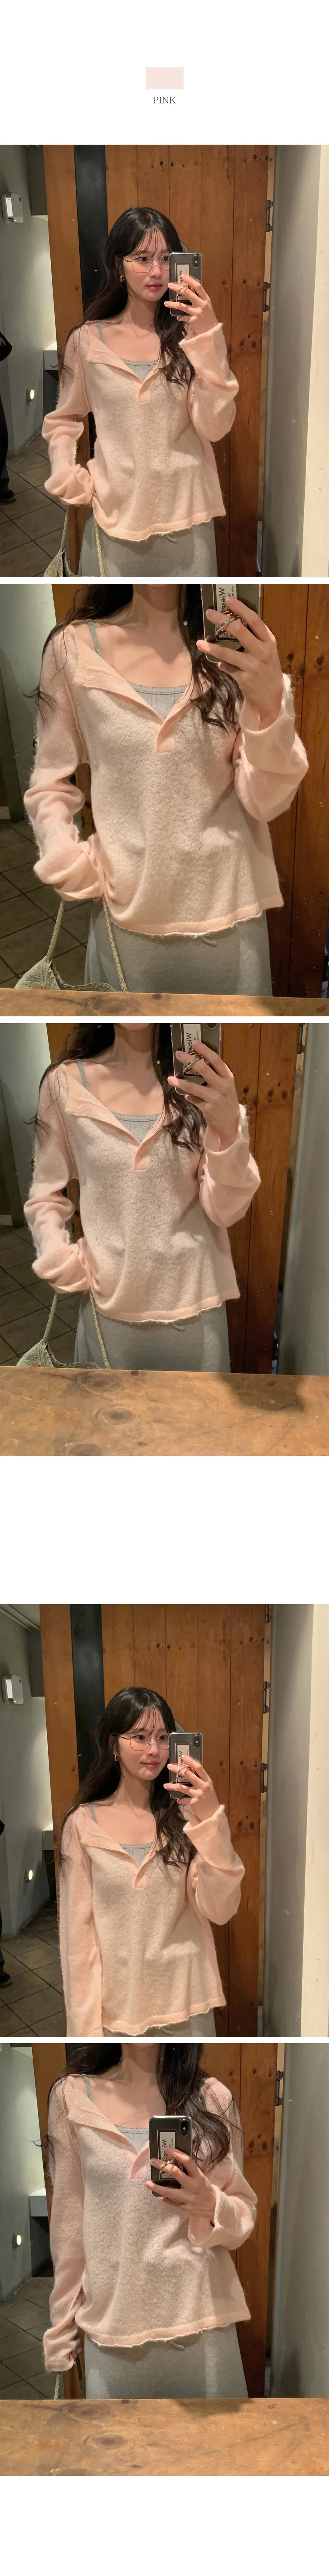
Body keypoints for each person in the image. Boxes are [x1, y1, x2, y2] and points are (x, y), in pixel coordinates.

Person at [24, 585, 308, 996]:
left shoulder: (234, 646)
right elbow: (50, 778)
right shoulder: (73, 649)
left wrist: (269, 705)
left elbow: (266, 800)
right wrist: (65, 859)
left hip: (232, 926)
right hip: (126, 924)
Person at [24, 1023, 261, 1372]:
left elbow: (225, 1210)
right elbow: (46, 1193)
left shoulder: (199, 1082)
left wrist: (228, 1130)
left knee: (197, 1410)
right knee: (108, 1409)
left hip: (197, 1313)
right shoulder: (65, 1084)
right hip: (109, 1312)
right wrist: (58, 1258)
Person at [43, 2041, 257, 2398]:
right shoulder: (73, 2096)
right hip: (114, 2331)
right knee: (117, 2436)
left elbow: (243, 2216)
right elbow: (69, 2225)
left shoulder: (212, 2097)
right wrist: (61, 2327)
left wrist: (211, 2205)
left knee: (214, 2437)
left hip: (205, 2326)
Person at [41, 206, 239, 575]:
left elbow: (216, 427)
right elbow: (64, 419)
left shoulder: (192, 339)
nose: (156, 272)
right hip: (115, 518)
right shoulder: (87, 341)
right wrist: (65, 471)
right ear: (119, 265)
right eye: (143, 258)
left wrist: (209, 337)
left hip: (189, 519)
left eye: (166, 258)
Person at [59, 1687, 244, 2037]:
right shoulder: (83, 1824)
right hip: (118, 2010)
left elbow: (221, 1908)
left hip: (188, 2003)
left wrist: (210, 1820)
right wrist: (85, 2030)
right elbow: (78, 1939)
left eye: (163, 1737)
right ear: (114, 1745)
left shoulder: (186, 1817)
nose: (154, 1750)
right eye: (140, 1737)